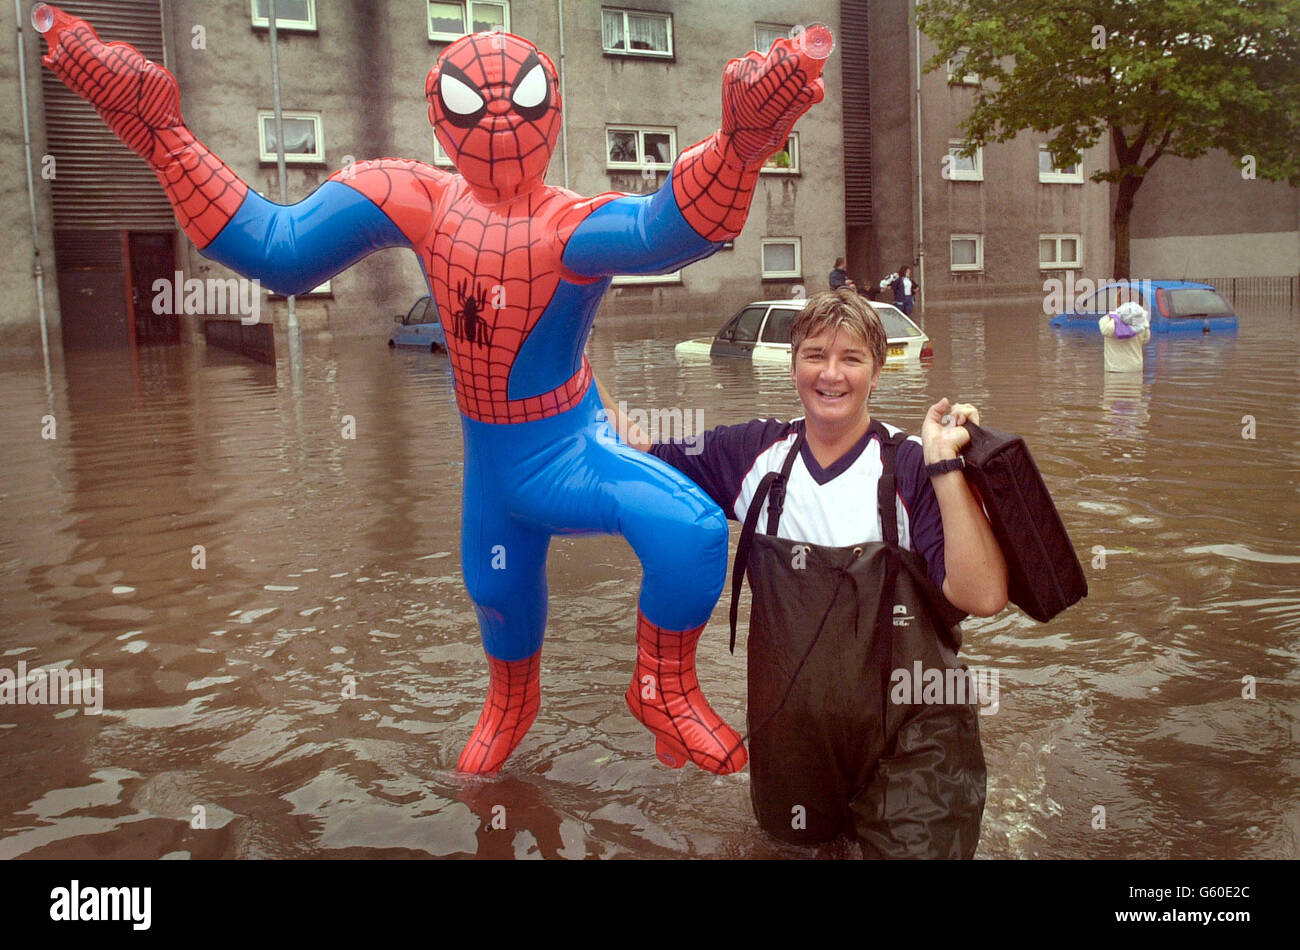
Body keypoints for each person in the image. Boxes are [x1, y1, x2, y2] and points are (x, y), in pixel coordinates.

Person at [40, 6, 828, 776]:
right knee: (497, 590)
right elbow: (278, 251)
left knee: (688, 527)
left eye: (517, 99)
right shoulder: (411, 197)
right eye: (469, 100)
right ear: (439, 117)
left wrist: (744, 143)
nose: (495, 118)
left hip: (567, 447)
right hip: (491, 460)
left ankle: (661, 685)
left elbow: (669, 230)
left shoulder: (570, 227)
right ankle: (510, 707)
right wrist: (160, 134)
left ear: (551, 114)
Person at [601, 288, 1007, 857]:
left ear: (878, 369)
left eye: (852, 358)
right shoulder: (757, 455)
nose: (831, 374)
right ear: (793, 367)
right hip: (793, 741)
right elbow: (639, 456)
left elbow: (983, 594)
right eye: (815, 355)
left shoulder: (911, 465)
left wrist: (946, 466)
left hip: (916, 735)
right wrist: (570, 364)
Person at [1099, 301, 1150, 372]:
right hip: (1135, 368)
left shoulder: (1107, 320)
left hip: (1113, 369)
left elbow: (1105, 331)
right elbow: (1146, 340)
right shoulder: (1142, 321)